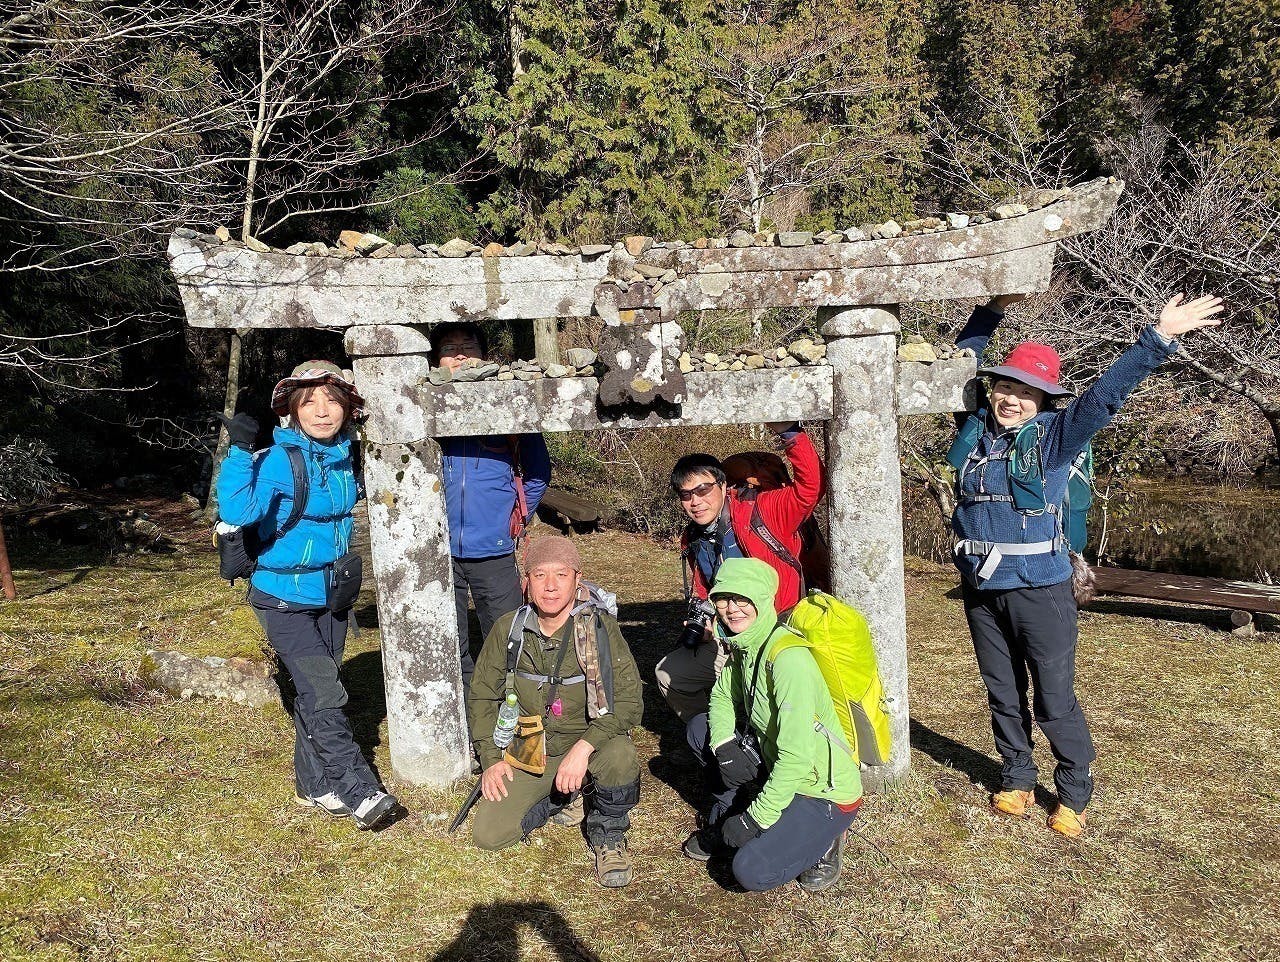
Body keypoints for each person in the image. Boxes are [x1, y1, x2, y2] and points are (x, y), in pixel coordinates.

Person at [951, 292, 1225, 837]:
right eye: (1006, 386)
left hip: (1041, 589)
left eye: (1027, 392)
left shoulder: (1056, 436)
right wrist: (991, 310)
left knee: (1053, 699)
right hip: (982, 589)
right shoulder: (975, 432)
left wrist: (1158, 337)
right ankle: (1017, 777)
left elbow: (1104, 397)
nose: (1013, 399)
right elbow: (957, 366)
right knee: (1002, 689)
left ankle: (1074, 789)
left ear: (1044, 400)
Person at [216, 361, 399, 831]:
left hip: (331, 592)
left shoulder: (344, 457)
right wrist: (239, 449)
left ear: (347, 409)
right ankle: (359, 790)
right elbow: (237, 509)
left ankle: (314, 785)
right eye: (309, 401)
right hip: (282, 596)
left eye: (332, 399)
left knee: (316, 691)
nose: (322, 410)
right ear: (293, 411)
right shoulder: (282, 460)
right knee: (324, 691)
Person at [468, 536, 642, 887]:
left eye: (561, 575)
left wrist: (583, 748)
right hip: (531, 747)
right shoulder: (508, 630)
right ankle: (564, 797)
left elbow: (629, 701)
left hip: (589, 742)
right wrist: (491, 758)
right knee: (489, 834)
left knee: (621, 755)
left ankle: (609, 834)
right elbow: (483, 698)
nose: (550, 586)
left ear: (578, 579)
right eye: (539, 574)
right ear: (525, 581)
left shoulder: (599, 628)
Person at [682, 557, 861, 892]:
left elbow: (797, 757)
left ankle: (826, 840)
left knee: (750, 870)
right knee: (700, 729)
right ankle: (729, 815)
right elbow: (722, 697)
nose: (730, 609)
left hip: (820, 787)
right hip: (775, 762)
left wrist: (755, 820)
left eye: (742, 599)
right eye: (722, 599)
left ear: (763, 601)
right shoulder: (745, 643)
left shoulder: (788, 659)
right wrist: (723, 746)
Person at [655, 421, 825, 722]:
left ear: (722, 486)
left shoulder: (764, 510)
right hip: (727, 637)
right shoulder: (693, 536)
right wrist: (704, 619)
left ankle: (753, 739)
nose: (696, 502)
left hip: (775, 633)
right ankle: (716, 738)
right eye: (686, 495)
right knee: (671, 676)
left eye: (703, 490)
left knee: (763, 700)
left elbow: (810, 488)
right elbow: (704, 587)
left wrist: (790, 433)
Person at [430, 322, 552, 698]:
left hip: (495, 549)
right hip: (437, 550)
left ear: (485, 356)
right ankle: (469, 717)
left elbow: (537, 473)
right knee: (450, 642)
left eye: (468, 346)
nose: (461, 354)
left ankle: (510, 713)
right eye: (450, 348)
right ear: (436, 361)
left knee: (507, 639)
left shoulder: (507, 405)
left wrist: (515, 518)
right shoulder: (425, 409)